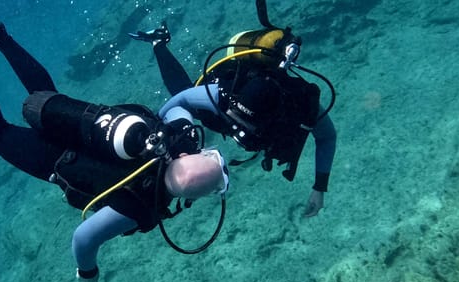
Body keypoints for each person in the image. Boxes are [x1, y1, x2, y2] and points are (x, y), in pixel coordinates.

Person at [0, 0, 230, 282]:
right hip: (54, 161)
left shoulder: (178, 138)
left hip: (80, 125)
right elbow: (83, 237)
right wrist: (88, 272)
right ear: (191, 197)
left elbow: (177, 103)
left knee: (43, 95)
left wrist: (217, 97)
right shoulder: (139, 207)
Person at [128, 10, 337, 218]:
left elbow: (327, 137)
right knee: (183, 91)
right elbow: (183, 98)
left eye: (247, 122)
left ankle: (158, 41)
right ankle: (159, 41)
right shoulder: (227, 95)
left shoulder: (301, 104)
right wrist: (158, 129)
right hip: (221, 102)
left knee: (188, 95)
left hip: (229, 108)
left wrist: (319, 187)